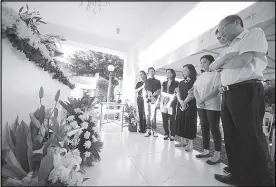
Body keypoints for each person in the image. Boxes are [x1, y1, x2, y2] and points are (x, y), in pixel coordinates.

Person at [209, 14, 274, 186]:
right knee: (231, 137)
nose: (221, 34)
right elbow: (212, 68)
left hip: (246, 89)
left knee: (250, 136)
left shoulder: (253, 34)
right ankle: (237, 174)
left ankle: (260, 180)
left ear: (236, 22)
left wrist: (222, 61)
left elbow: (243, 60)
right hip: (228, 93)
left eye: (223, 28)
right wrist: (226, 58)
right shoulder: (228, 48)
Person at [193, 55, 222, 165]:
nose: (202, 64)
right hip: (201, 105)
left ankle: (217, 154)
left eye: (205, 62)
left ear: (212, 62)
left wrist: (203, 99)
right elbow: (195, 89)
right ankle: (206, 150)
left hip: (213, 105)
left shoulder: (216, 74)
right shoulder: (200, 76)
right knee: (204, 127)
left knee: (214, 129)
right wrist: (199, 100)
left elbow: (216, 90)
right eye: (201, 62)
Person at [175, 64, 197, 151]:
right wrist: (181, 102)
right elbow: (177, 92)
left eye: (185, 70)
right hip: (181, 104)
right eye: (183, 70)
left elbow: (192, 94)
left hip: (191, 105)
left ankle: (190, 144)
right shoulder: (181, 82)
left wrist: (184, 102)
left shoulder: (195, 82)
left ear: (191, 71)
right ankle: (182, 141)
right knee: (181, 121)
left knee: (190, 122)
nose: (183, 72)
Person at [160, 69, 179, 141]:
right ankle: (166, 133)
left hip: (172, 103)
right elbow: (161, 92)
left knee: (172, 119)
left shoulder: (176, 83)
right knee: (164, 119)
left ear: (173, 74)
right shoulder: (164, 83)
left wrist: (171, 98)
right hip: (164, 102)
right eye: (166, 73)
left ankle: (172, 134)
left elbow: (176, 94)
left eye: (169, 72)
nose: (167, 74)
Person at [143, 67, 161, 137]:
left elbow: (159, 91)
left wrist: (156, 96)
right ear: (148, 72)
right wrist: (146, 97)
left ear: (154, 72)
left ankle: (154, 130)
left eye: (153, 71)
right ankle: (148, 130)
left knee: (153, 116)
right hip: (147, 100)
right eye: (150, 71)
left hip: (154, 101)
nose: (151, 72)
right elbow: (144, 91)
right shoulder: (146, 81)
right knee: (147, 115)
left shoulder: (158, 81)